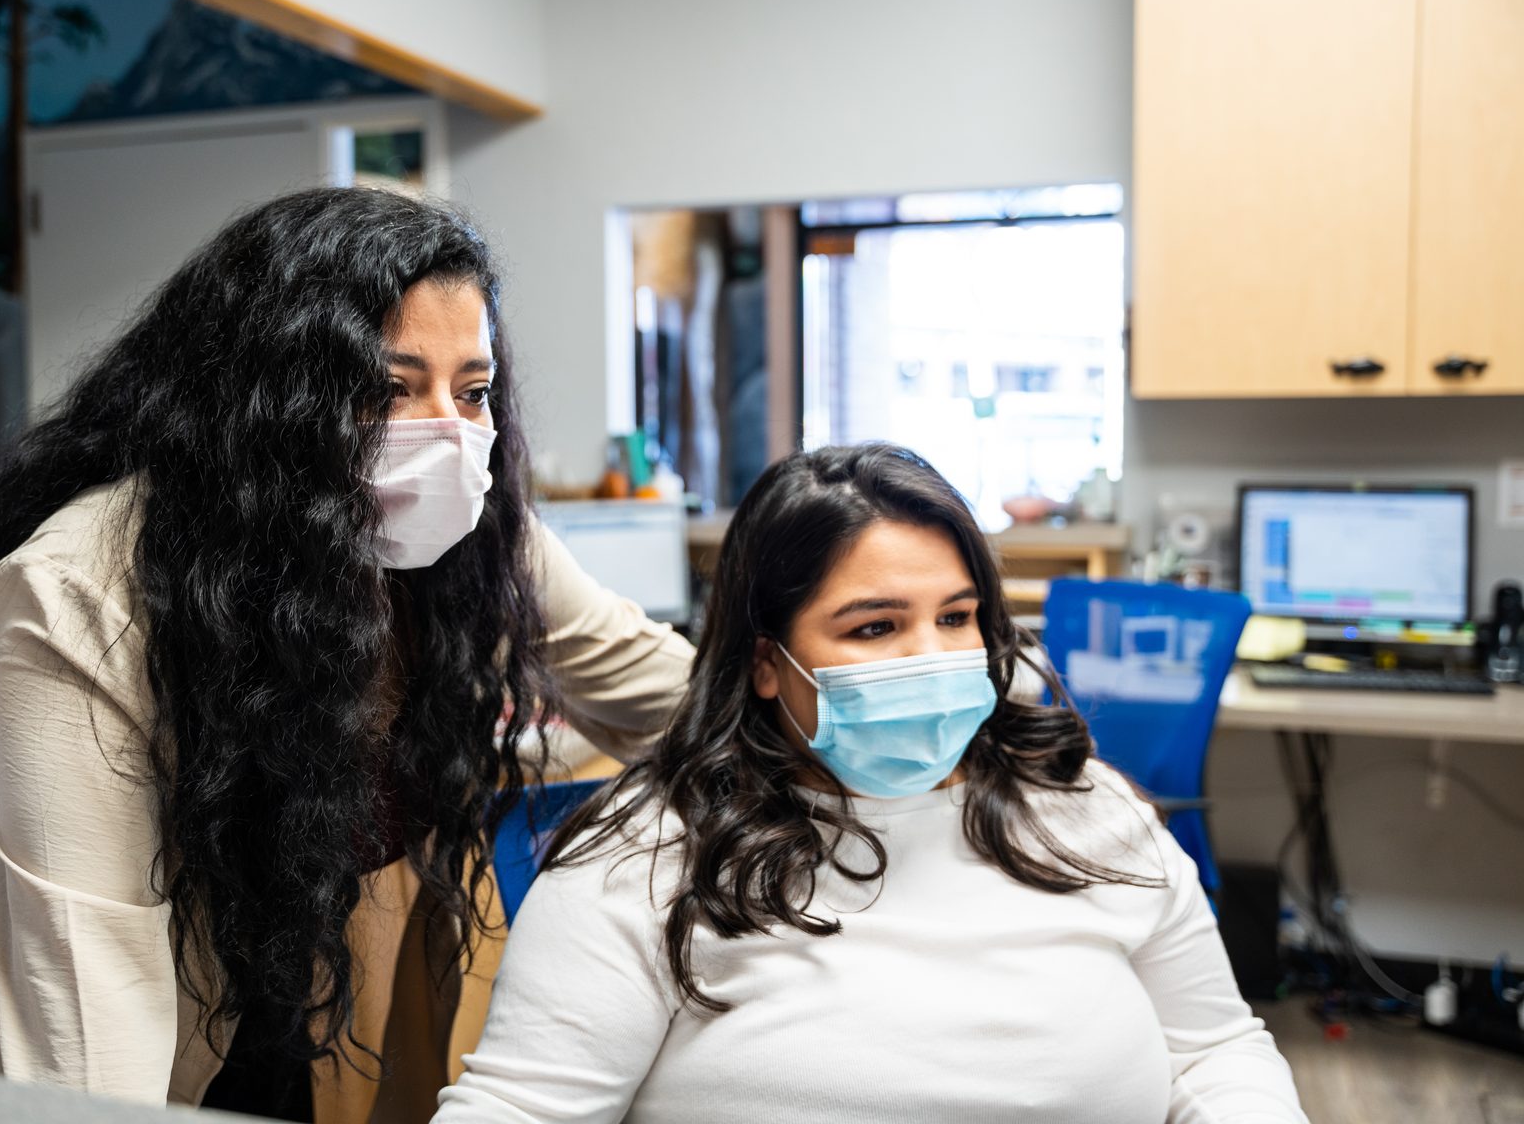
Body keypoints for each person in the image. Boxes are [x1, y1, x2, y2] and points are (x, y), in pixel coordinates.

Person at [0, 187, 694, 1121]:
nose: (449, 432)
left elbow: (672, 694)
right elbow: (91, 1019)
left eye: (472, 393)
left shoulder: (473, 537)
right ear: (274, 401)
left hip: (231, 994)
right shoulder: (88, 586)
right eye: (389, 388)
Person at [437, 444, 1308, 1124]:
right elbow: (522, 1106)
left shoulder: (1088, 811)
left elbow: (1215, 1048)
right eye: (875, 626)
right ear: (767, 663)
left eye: (958, 617)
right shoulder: (648, 853)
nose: (931, 657)